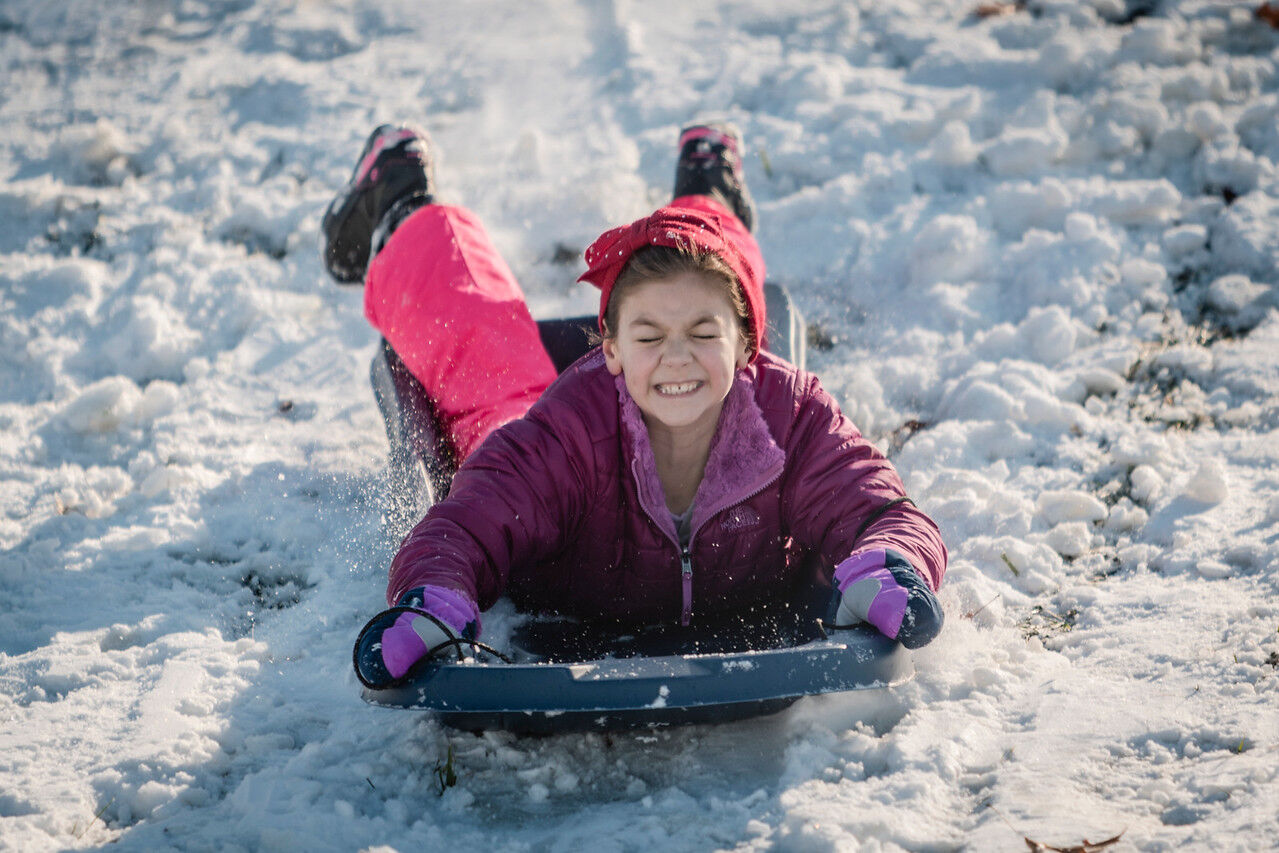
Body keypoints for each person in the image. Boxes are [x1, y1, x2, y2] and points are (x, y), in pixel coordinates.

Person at [322, 122, 948, 689]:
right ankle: (401, 195)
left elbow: (877, 507)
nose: (677, 357)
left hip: (701, 363)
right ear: (611, 350)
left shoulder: (790, 416)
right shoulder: (564, 434)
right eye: (648, 338)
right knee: (484, 355)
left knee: (702, 263)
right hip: (546, 424)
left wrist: (887, 565)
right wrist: (434, 596)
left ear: (746, 346)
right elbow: (467, 525)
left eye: (704, 335)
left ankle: (710, 192)